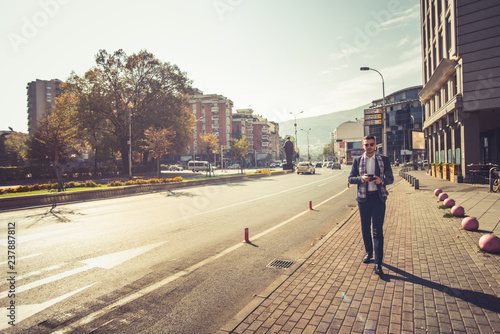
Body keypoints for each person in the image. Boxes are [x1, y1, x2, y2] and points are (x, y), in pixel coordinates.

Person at [348, 135, 394, 275]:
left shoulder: (384, 160)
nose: (369, 147)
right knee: (365, 228)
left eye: (371, 144)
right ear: (363, 146)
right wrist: (362, 179)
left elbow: (391, 178)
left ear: (375, 146)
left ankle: (378, 263)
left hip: (378, 199)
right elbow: (350, 179)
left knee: (377, 231)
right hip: (363, 200)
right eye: (366, 145)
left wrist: (382, 180)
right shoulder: (357, 161)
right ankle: (369, 252)